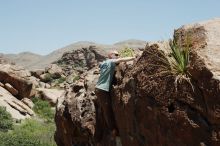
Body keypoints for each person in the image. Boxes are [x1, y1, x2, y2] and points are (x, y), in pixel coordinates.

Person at [95, 50, 135, 139]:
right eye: (116, 54)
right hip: (102, 90)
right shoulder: (110, 61)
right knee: (107, 109)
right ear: (110, 55)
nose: (118, 56)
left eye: (118, 54)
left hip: (100, 88)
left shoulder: (104, 63)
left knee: (105, 109)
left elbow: (100, 68)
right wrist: (133, 58)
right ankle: (113, 130)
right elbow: (122, 60)